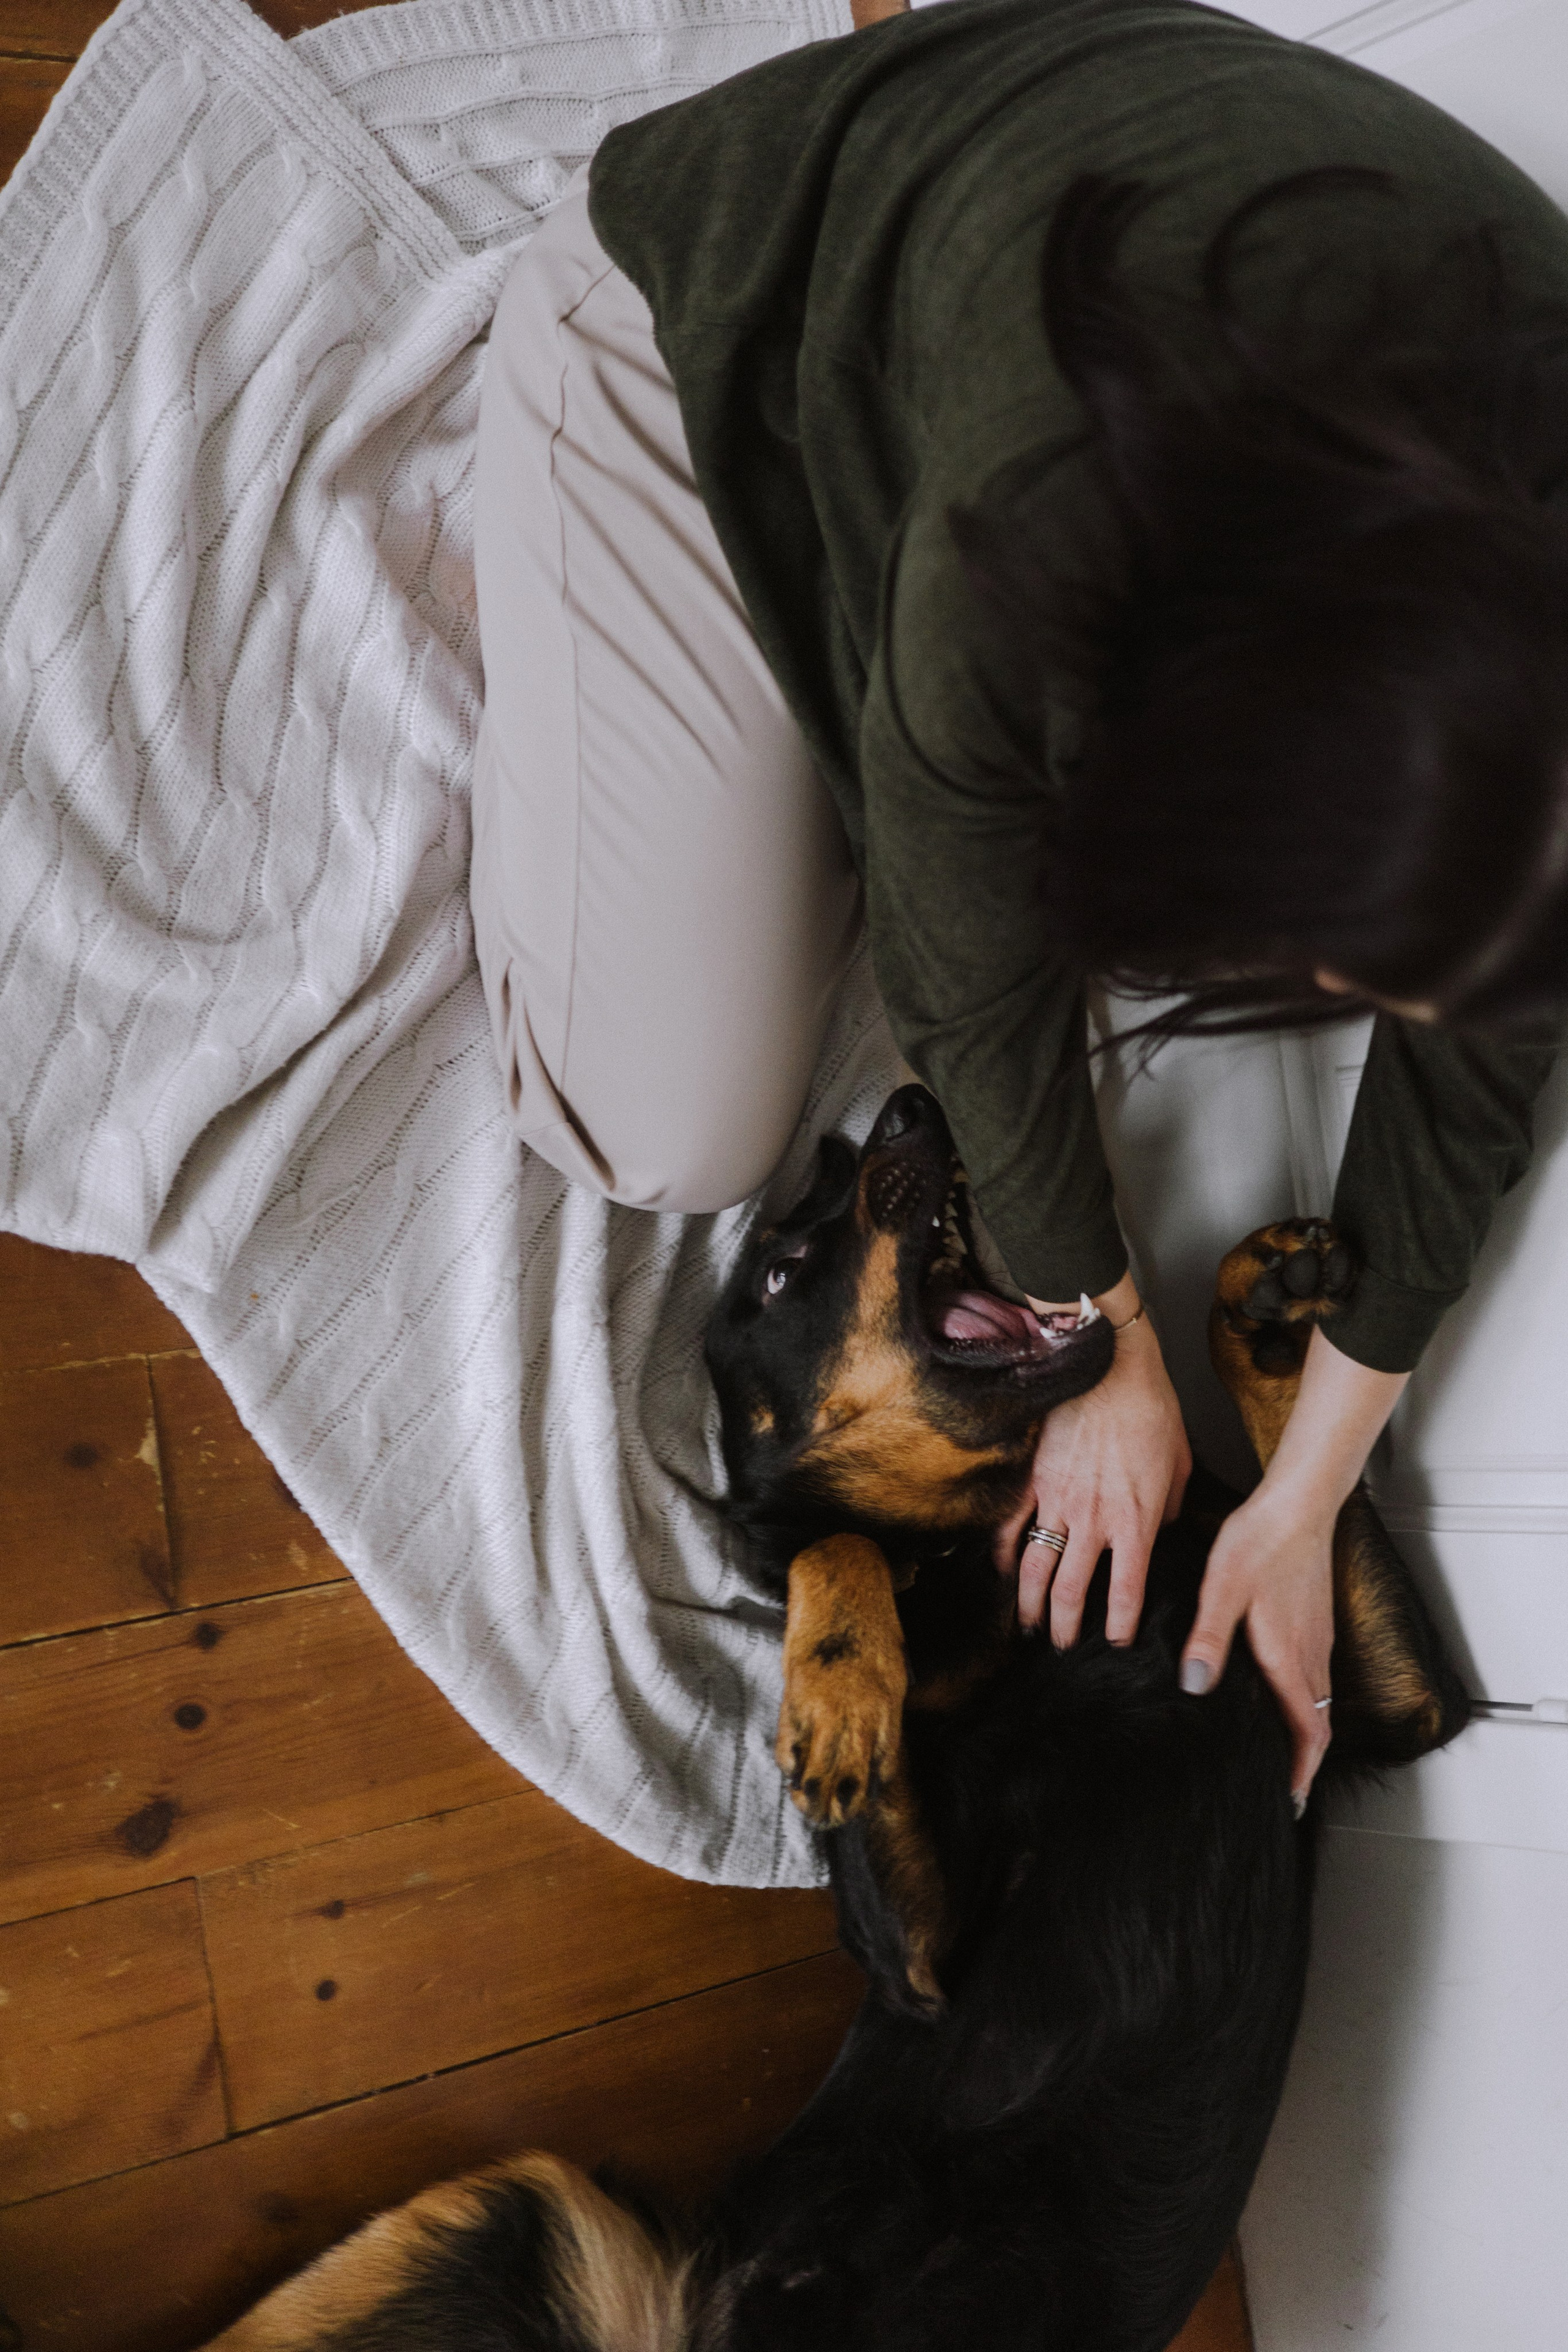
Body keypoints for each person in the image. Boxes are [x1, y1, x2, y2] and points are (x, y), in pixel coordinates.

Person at [469, 0, 1568, 1811]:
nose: (1324, 983)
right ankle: (574, 500)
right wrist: (1103, 1345)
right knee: (667, 1126)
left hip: (1071, 316)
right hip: (716, 333)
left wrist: (1301, 1508)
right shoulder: (1041, 545)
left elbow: (1480, 1083)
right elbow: (970, 978)